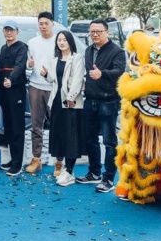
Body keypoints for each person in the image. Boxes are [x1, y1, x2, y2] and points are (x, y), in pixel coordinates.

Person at [76, 18, 127, 193]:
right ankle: (94, 173)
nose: (95, 34)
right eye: (92, 31)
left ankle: (109, 179)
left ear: (107, 32)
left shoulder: (117, 51)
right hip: (90, 100)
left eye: (98, 31)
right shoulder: (88, 50)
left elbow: (120, 71)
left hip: (109, 101)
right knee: (90, 139)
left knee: (109, 141)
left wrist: (102, 74)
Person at [44, 30, 86, 187]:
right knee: (60, 135)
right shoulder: (55, 59)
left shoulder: (77, 58)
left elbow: (78, 80)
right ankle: (64, 169)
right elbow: (53, 80)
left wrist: (71, 98)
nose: (61, 43)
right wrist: (45, 74)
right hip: (56, 101)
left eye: (64, 40)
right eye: (59, 40)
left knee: (71, 136)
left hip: (71, 103)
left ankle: (69, 171)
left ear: (70, 42)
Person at [24, 11, 56, 174]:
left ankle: (59, 161)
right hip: (35, 86)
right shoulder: (32, 42)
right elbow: (28, 64)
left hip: (53, 88)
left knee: (56, 125)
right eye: (41, 24)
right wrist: (29, 65)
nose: (43, 27)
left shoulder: (59, 41)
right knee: (36, 126)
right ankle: (36, 159)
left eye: (46, 24)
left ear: (52, 24)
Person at [0, 20, 28, 176]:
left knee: (17, 127)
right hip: (4, 92)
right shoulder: (3, 48)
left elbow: (19, 66)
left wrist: (11, 79)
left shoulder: (22, 47)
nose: (9, 33)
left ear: (17, 32)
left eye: (12, 30)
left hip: (16, 91)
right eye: (6, 30)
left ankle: (18, 164)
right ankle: (12, 159)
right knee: (8, 127)